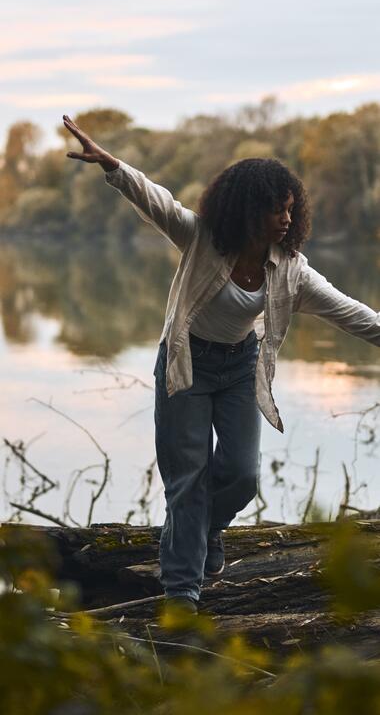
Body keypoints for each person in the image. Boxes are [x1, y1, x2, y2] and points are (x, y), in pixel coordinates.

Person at [63, 114, 380, 616]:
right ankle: (182, 593)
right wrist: (113, 167)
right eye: (275, 209)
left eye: (290, 209)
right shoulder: (202, 239)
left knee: (241, 475)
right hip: (187, 364)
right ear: (248, 210)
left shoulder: (291, 271)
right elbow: (157, 201)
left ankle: (207, 529)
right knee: (187, 479)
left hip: (239, 369)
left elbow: (353, 314)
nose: (285, 218)